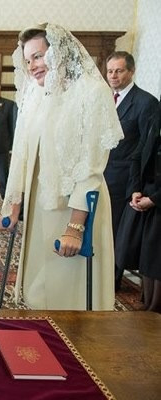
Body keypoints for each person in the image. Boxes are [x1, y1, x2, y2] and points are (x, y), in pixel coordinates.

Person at [0, 23, 123, 310]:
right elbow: (22, 154)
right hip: (40, 205)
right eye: (28, 60)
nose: (32, 66)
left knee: (70, 292)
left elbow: (91, 167)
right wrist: (14, 204)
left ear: (59, 53)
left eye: (38, 56)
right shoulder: (36, 94)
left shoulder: (91, 92)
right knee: (38, 289)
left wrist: (75, 228)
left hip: (76, 207)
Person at [104, 51, 158, 290]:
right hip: (102, 174)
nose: (113, 76)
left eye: (119, 71)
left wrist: (138, 186)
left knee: (117, 232)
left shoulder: (146, 103)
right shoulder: (106, 99)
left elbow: (146, 148)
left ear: (131, 71)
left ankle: (111, 282)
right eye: (110, 71)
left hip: (126, 180)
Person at [115, 104, 161, 312]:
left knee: (156, 254)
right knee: (148, 252)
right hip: (147, 193)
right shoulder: (155, 118)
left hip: (157, 198)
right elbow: (138, 155)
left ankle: (155, 308)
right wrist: (135, 189)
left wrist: (155, 199)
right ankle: (149, 304)